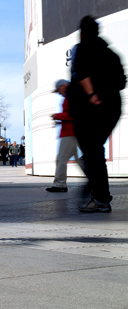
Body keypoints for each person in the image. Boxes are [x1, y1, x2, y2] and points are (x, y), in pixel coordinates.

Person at [69, 16, 123, 212]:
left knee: (92, 154)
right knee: (94, 152)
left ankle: (100, 197)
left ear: (82, 33)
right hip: (112, 109)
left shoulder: (83, 48)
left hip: (90, 109)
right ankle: (98, 192)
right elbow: (122, 82)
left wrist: (92, 94)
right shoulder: (111, 54)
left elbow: (81, 74)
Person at [47, 79, 80, 192]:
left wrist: (57, 116)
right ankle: (95, 181)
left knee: (62, 158)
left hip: (69, 133)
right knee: (80, 160)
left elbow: (72, 114)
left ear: (63, 86)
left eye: (58, 90)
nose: (58, 93)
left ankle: (60, 184)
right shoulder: (71, 95)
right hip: (71, 133)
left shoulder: (71, 96)